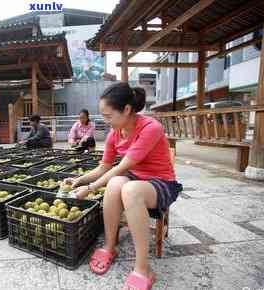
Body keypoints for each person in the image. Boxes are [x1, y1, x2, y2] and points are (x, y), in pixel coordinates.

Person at [64, 82, 180, 290]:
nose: (105, 121)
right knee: (116, 183)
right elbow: (103, 169)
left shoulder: (150, 128)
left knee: (128, 188)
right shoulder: (114, 134)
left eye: (108, 116)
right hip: (135, 178)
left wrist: (90, 189)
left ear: (127, 110)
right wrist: (79, 180)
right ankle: (110, 246)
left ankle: (143, 267)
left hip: (161, 183)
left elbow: (122, 166)